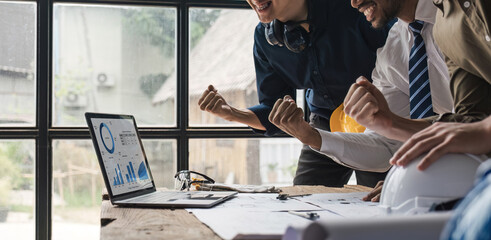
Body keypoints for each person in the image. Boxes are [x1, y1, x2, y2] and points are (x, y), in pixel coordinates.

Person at [268, 0, 453, 196]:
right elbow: (385, 146)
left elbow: (477, 121)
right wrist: (312, 136)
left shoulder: (466, 17)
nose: (354, 3)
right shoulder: (394, 47)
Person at [198, 0, 390, 187]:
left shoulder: (357, 9)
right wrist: (232, 114)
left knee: (379, 201)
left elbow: (403, 68)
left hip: (378, 119)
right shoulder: (264, 39)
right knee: (303, 198)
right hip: (323, 123)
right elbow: (273, 111)